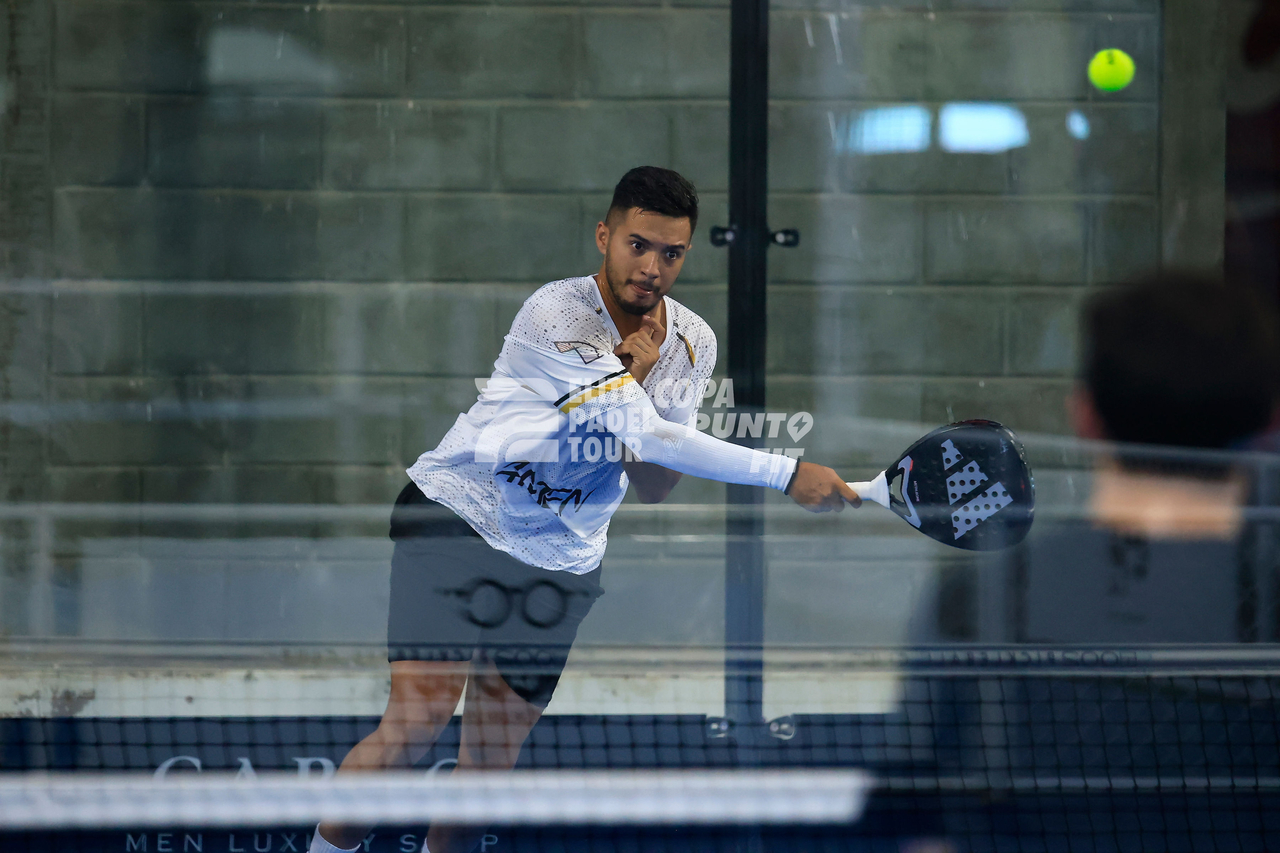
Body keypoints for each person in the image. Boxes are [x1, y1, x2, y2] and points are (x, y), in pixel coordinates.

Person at [309, 166, 860, 853]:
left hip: (559, 559)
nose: (652, 267)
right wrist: (787, 472)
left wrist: (639, 393)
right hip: (460, 517)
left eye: (671, 253)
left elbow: (655, 480)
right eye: (638, 245)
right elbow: (649, 436)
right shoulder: (557, 313)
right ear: (605, 236)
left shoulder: (693, 342)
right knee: (416, 724)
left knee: (490, 763)